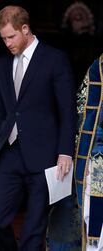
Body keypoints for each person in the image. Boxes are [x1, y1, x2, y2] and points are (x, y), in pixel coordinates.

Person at [0, 5, 76, 251]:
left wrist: (65, 151)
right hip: (9, 155)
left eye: (11, 37)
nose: (7, 43)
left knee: (32, 235)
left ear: (25, 29)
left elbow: (67, 110)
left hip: (44, 156)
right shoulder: (2, 63)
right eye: (3, 38)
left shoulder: (55, 59)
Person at [75, 53, 103, 251]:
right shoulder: (98, 67)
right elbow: (85, 113)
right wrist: (86, 156)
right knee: (94, 219)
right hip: (99, 158)